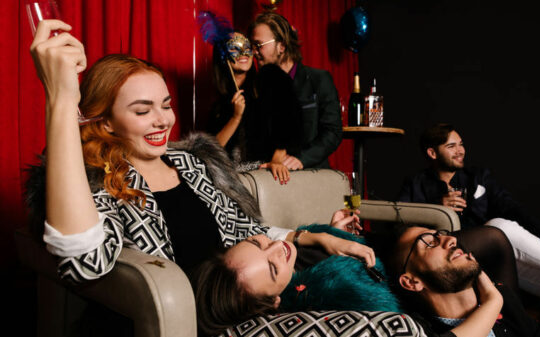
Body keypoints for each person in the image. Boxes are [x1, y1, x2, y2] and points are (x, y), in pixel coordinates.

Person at [24, 20, 345, 283]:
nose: (163, 120)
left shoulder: (189, 163)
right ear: (107, 123)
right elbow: (84, 262)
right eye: (142, 110)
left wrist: (308, 237)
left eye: (166, 105)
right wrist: (61, 98)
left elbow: (243, 228)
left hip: (253, 301)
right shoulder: (100, 178)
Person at [397, 123, 540, 337]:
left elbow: (512, 208)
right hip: (460, 262)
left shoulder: (477, 176)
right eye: (451, 146)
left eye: (461, 144)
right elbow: (402, 229)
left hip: (500, 258)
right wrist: (436, 208)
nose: (460, 150)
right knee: (498, 226)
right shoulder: (416, 184)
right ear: (432, 152)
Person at [193, 216, 525, 337]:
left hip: (377, 247)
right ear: (275, 301)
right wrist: (491, 299)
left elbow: (276, 234)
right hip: (401, 275)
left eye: (259, 243)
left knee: (499, 232)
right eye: (271, 267)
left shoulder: (293, 249)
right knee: (497, 234)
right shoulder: (308, 307)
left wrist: (323, 236)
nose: (276, 248)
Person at [389, 225, 540, 337]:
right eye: (430, 243)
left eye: (441, 235)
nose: (451, 240)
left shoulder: (502, 296)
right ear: (412, 282)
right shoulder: (420, 330)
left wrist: (496, 299)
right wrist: (493, 302)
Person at [249, 12, 342, 170]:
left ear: (282, 46)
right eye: (252, 46)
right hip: (270, 179)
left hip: (312, 177)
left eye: (259, 45)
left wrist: (301, 159)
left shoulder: (318, 79)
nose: (254, 52)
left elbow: (333, 132)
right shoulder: (258, 87)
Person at [207, 32, 301, 183]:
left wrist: (276, 161)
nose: (243, 53)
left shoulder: (267, 83)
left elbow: (287, 125)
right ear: (222, 56)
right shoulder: (221, 101)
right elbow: (212, 150)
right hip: (230, 180)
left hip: (265, 176)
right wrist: (235, 117)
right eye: (235, 48)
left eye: (246, 47)